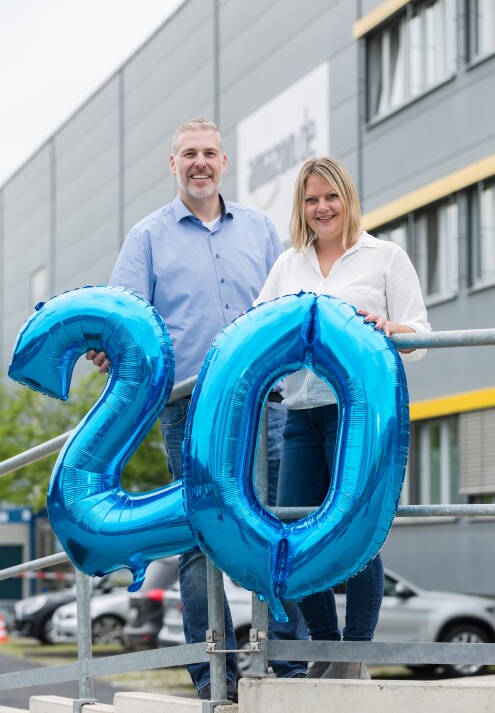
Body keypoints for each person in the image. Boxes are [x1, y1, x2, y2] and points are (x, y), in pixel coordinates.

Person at [87, 118, 307, 701]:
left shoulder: (260, 231)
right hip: (190, 410)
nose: (200, 162)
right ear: (173, 163)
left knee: (275, 523)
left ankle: (286, 664)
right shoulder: (148, 238)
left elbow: (290, 306)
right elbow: (127, 317)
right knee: (197, 537)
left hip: (267, 404)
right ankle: (213, 674)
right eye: (189, 153)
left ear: (224, 162)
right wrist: (107, 347)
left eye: (209, 153)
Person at [255, 156, 431, 680]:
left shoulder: (384, 257)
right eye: (311, 200)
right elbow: (259, 326)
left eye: (330, 196)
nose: (322, 208)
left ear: (347, 199)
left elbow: (421, 337)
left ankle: (355, 654)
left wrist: (388, 326)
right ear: (301, 208)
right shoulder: (289, 265)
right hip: (300, 414)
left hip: (359, 416)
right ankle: (327, 651)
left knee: (359, 532)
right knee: (295, 535)